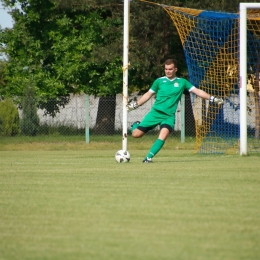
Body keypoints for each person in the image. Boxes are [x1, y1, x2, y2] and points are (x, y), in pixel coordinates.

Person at [126, 58, 224, 163]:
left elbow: (198, 91)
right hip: (155, 113)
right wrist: (135, 105)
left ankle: (148, 158)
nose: (168, 71)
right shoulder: (159, 81)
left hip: (169, 116)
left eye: (170, 69)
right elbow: (148, 95)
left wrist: (212, 98)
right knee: (136, 135)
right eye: (166, 69)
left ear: (175, 69)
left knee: (163, 135)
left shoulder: (182, 82)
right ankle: (135, 125)